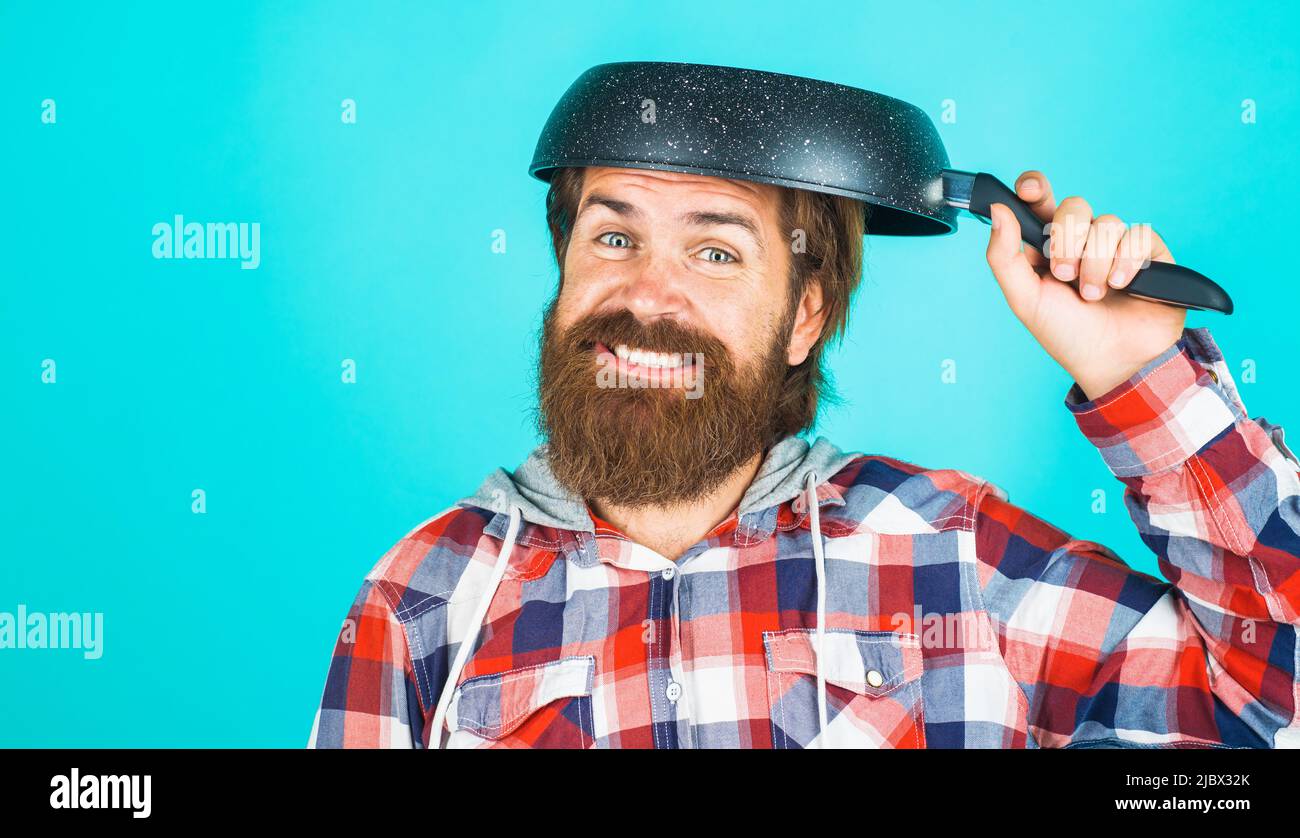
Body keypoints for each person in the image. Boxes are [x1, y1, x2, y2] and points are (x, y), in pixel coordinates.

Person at [307, 161, 1300, 749]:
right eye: (612, 239)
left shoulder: (952, 558)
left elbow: (1270, 698)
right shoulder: (423, 600)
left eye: (715, 252)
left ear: (804, 316)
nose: (647, 297)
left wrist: (1142, 373)